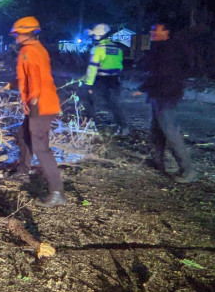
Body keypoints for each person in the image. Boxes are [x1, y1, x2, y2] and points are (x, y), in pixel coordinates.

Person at [5, 16, 67, 208]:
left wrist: (33, 100)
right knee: (23, 136)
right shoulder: (36, 50)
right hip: (40, 102)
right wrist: (12, 84)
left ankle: (57, 192)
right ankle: (23, 170)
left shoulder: (29, 51)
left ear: (26, 33)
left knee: (41, 147)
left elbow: (36, 79)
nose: (15, 37)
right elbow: (31, 76)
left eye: (17, 34)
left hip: (40, 105)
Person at [136, 22, 196, 183]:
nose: (152, 31)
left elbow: (162, 74)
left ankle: (187, 170)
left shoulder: (169, 50)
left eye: (156, 29)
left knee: (170, 132)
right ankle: (159, 161)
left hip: (165, 95)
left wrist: (143, 87)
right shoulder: (162, 48)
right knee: (157, 131)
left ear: (167, 32)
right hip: (160, 94)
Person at [80, 23, 129, 135]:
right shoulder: (117, 48)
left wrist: (88, 84)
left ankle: (92, 125)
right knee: (114, 103)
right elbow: (120, 66)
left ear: (97, 36)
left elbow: (92, 69)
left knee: (87, 99)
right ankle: (123, 126)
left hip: (101, 80)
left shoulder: (98, 49)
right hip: (115, 80)